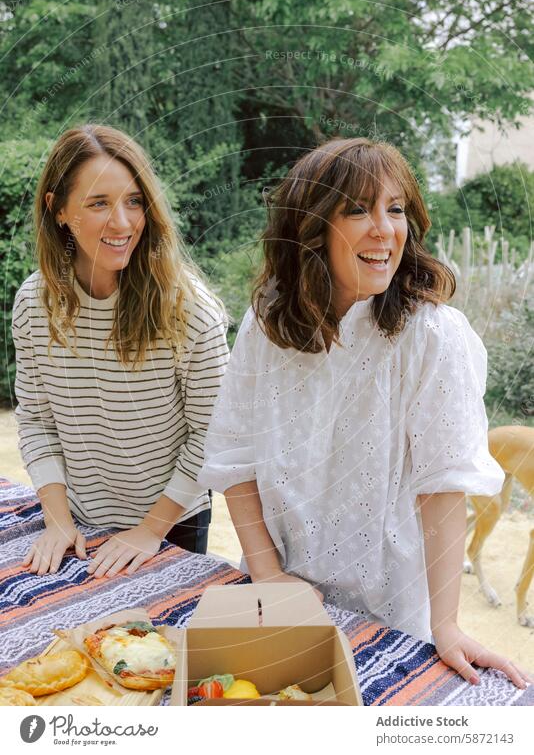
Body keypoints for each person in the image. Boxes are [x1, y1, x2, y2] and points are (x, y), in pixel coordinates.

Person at [199, 136, 532, 688]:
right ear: (311, 227)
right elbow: (236, 457)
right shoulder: (267, 322)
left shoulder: (433, 335)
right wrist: (268, 573)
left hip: (391, 613)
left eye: (395, 209)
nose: (385, 229)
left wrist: (446, 624)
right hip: (282, 595)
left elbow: (442, 485)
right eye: (357, 210)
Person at [13, 124, 229, 577]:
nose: (124, 222)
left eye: (134, 201)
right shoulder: (34, 304)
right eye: (98, 203)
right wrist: (57, 520)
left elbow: (213, 437)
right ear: (57, 210)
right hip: (78, 522)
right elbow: (36, 419)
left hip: (171, 526)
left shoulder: (189, 309)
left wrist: (150, 531)